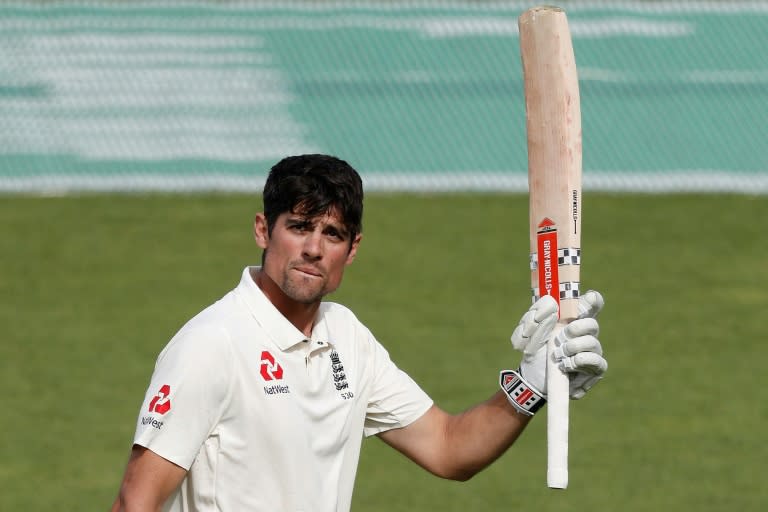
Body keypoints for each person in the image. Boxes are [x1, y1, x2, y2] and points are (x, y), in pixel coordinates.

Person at [111, 154, 607, 512]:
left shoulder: (347, 338)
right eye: (299, 226)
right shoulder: (212, 345)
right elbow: (136, 502)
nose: (313, 248)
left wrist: (530, 386)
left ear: (352, 249)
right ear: (263, 230)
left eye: (332, 234)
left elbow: (449, 449)